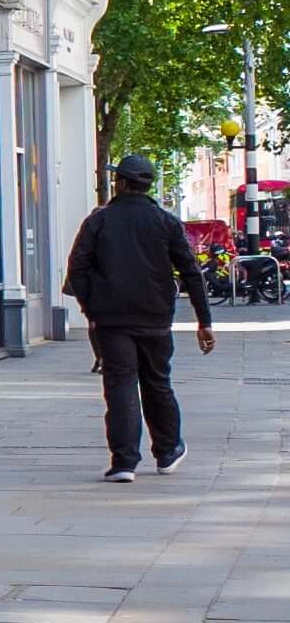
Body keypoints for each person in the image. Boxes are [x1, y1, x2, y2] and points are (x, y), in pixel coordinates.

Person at [64, 152, 214, 481]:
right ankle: (167, 450)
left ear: (120, 183)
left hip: (112, 320)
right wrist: (204, 321)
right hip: (155, 318)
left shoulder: (98, 220)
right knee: (157, 382)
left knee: (119, 385)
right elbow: (191, 271)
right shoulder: (166, 221)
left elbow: (77, 268)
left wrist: (92, 308)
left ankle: (124, 462)